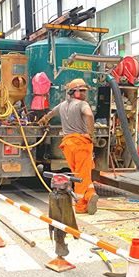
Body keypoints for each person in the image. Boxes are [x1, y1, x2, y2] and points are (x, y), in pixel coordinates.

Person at [37, 78, 99, 215]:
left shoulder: (62, 105)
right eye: (82, 91)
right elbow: (89, 115)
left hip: (68, 145)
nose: (84, 94)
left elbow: (50, 115)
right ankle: (81, 206)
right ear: (74, 92)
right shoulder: (82, 104)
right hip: (81, 143)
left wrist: (42, 121)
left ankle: (90, 194)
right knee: (81, 176)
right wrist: (91, 134)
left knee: (81, 173)